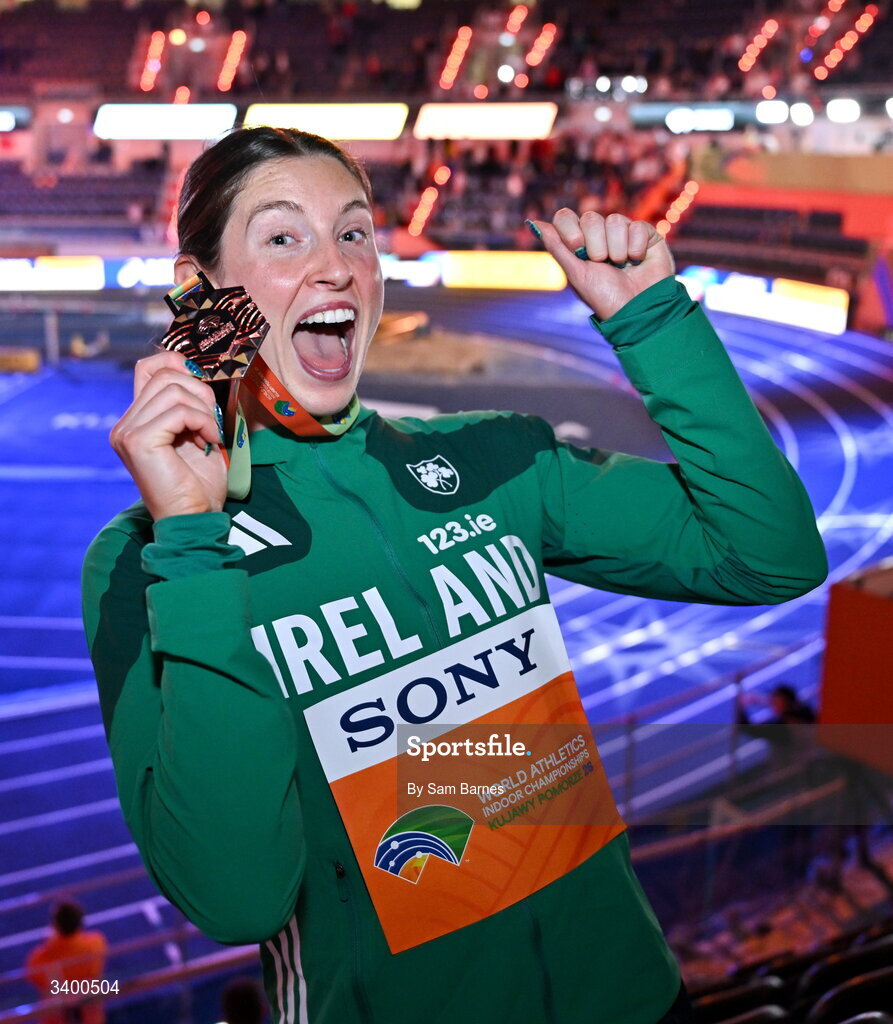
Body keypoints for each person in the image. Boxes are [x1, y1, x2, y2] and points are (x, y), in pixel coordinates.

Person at [82, 126, 827, 1024]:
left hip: (640, 1003)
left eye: (353, 233)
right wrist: (194, 541)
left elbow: (771, 554)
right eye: (283, 237)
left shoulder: (498, 457)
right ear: (201, 291)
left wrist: (652, 322)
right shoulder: (151, 562)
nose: (335, 267)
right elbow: (237, 900)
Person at [25, 900, 108, 1024]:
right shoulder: (96, 943)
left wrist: (50, 943)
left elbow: (32, 974)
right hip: (91, 1017)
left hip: (56, 1019)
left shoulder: (41, 958)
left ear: (56, 926)